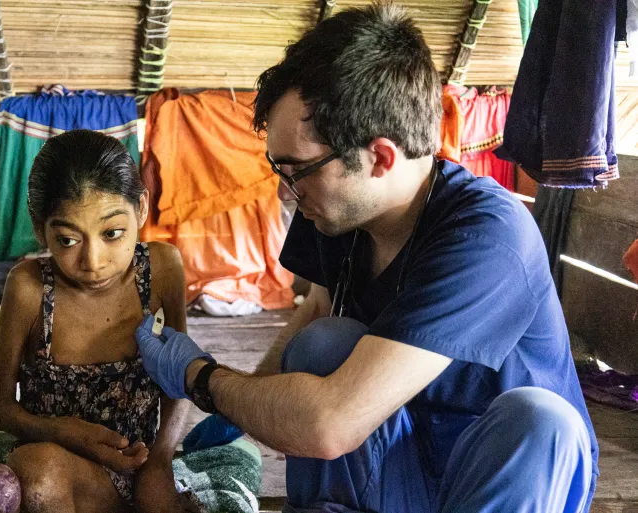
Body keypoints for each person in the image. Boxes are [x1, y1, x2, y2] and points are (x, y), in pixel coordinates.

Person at [134, 3, 599, 513]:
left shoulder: (488, 234)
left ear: (379, 156)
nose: (289, 191)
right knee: (324, 344)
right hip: (407, 457)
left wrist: (203, 378)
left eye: (298, 170)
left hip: (500, 477)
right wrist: (243, 406)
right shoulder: (337, 209)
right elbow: (316, 311)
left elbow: (331, 425)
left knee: (538, 418)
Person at [0, 129, 200, 513]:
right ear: (39, 226)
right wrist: (63, 432)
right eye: (67, 240)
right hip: (60, 474)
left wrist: (161, 461)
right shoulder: (30, 288)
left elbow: (180, 377)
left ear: (142, 210)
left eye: (113, 233)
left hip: (141, 465)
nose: (93, 262)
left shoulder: (162, 268)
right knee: (36, 471)